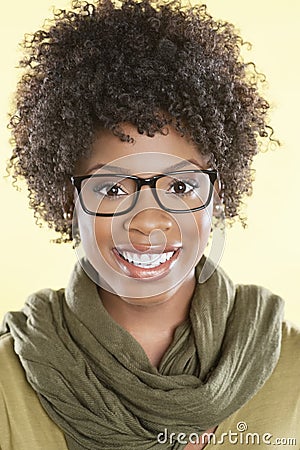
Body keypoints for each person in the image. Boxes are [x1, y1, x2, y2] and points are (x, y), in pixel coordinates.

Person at [0, 0, 299, 449]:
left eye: (180, 187)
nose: (148, 223)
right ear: (69, 200)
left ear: (215, 196)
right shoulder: (8, 376)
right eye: (113, 190)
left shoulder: (291, 365)